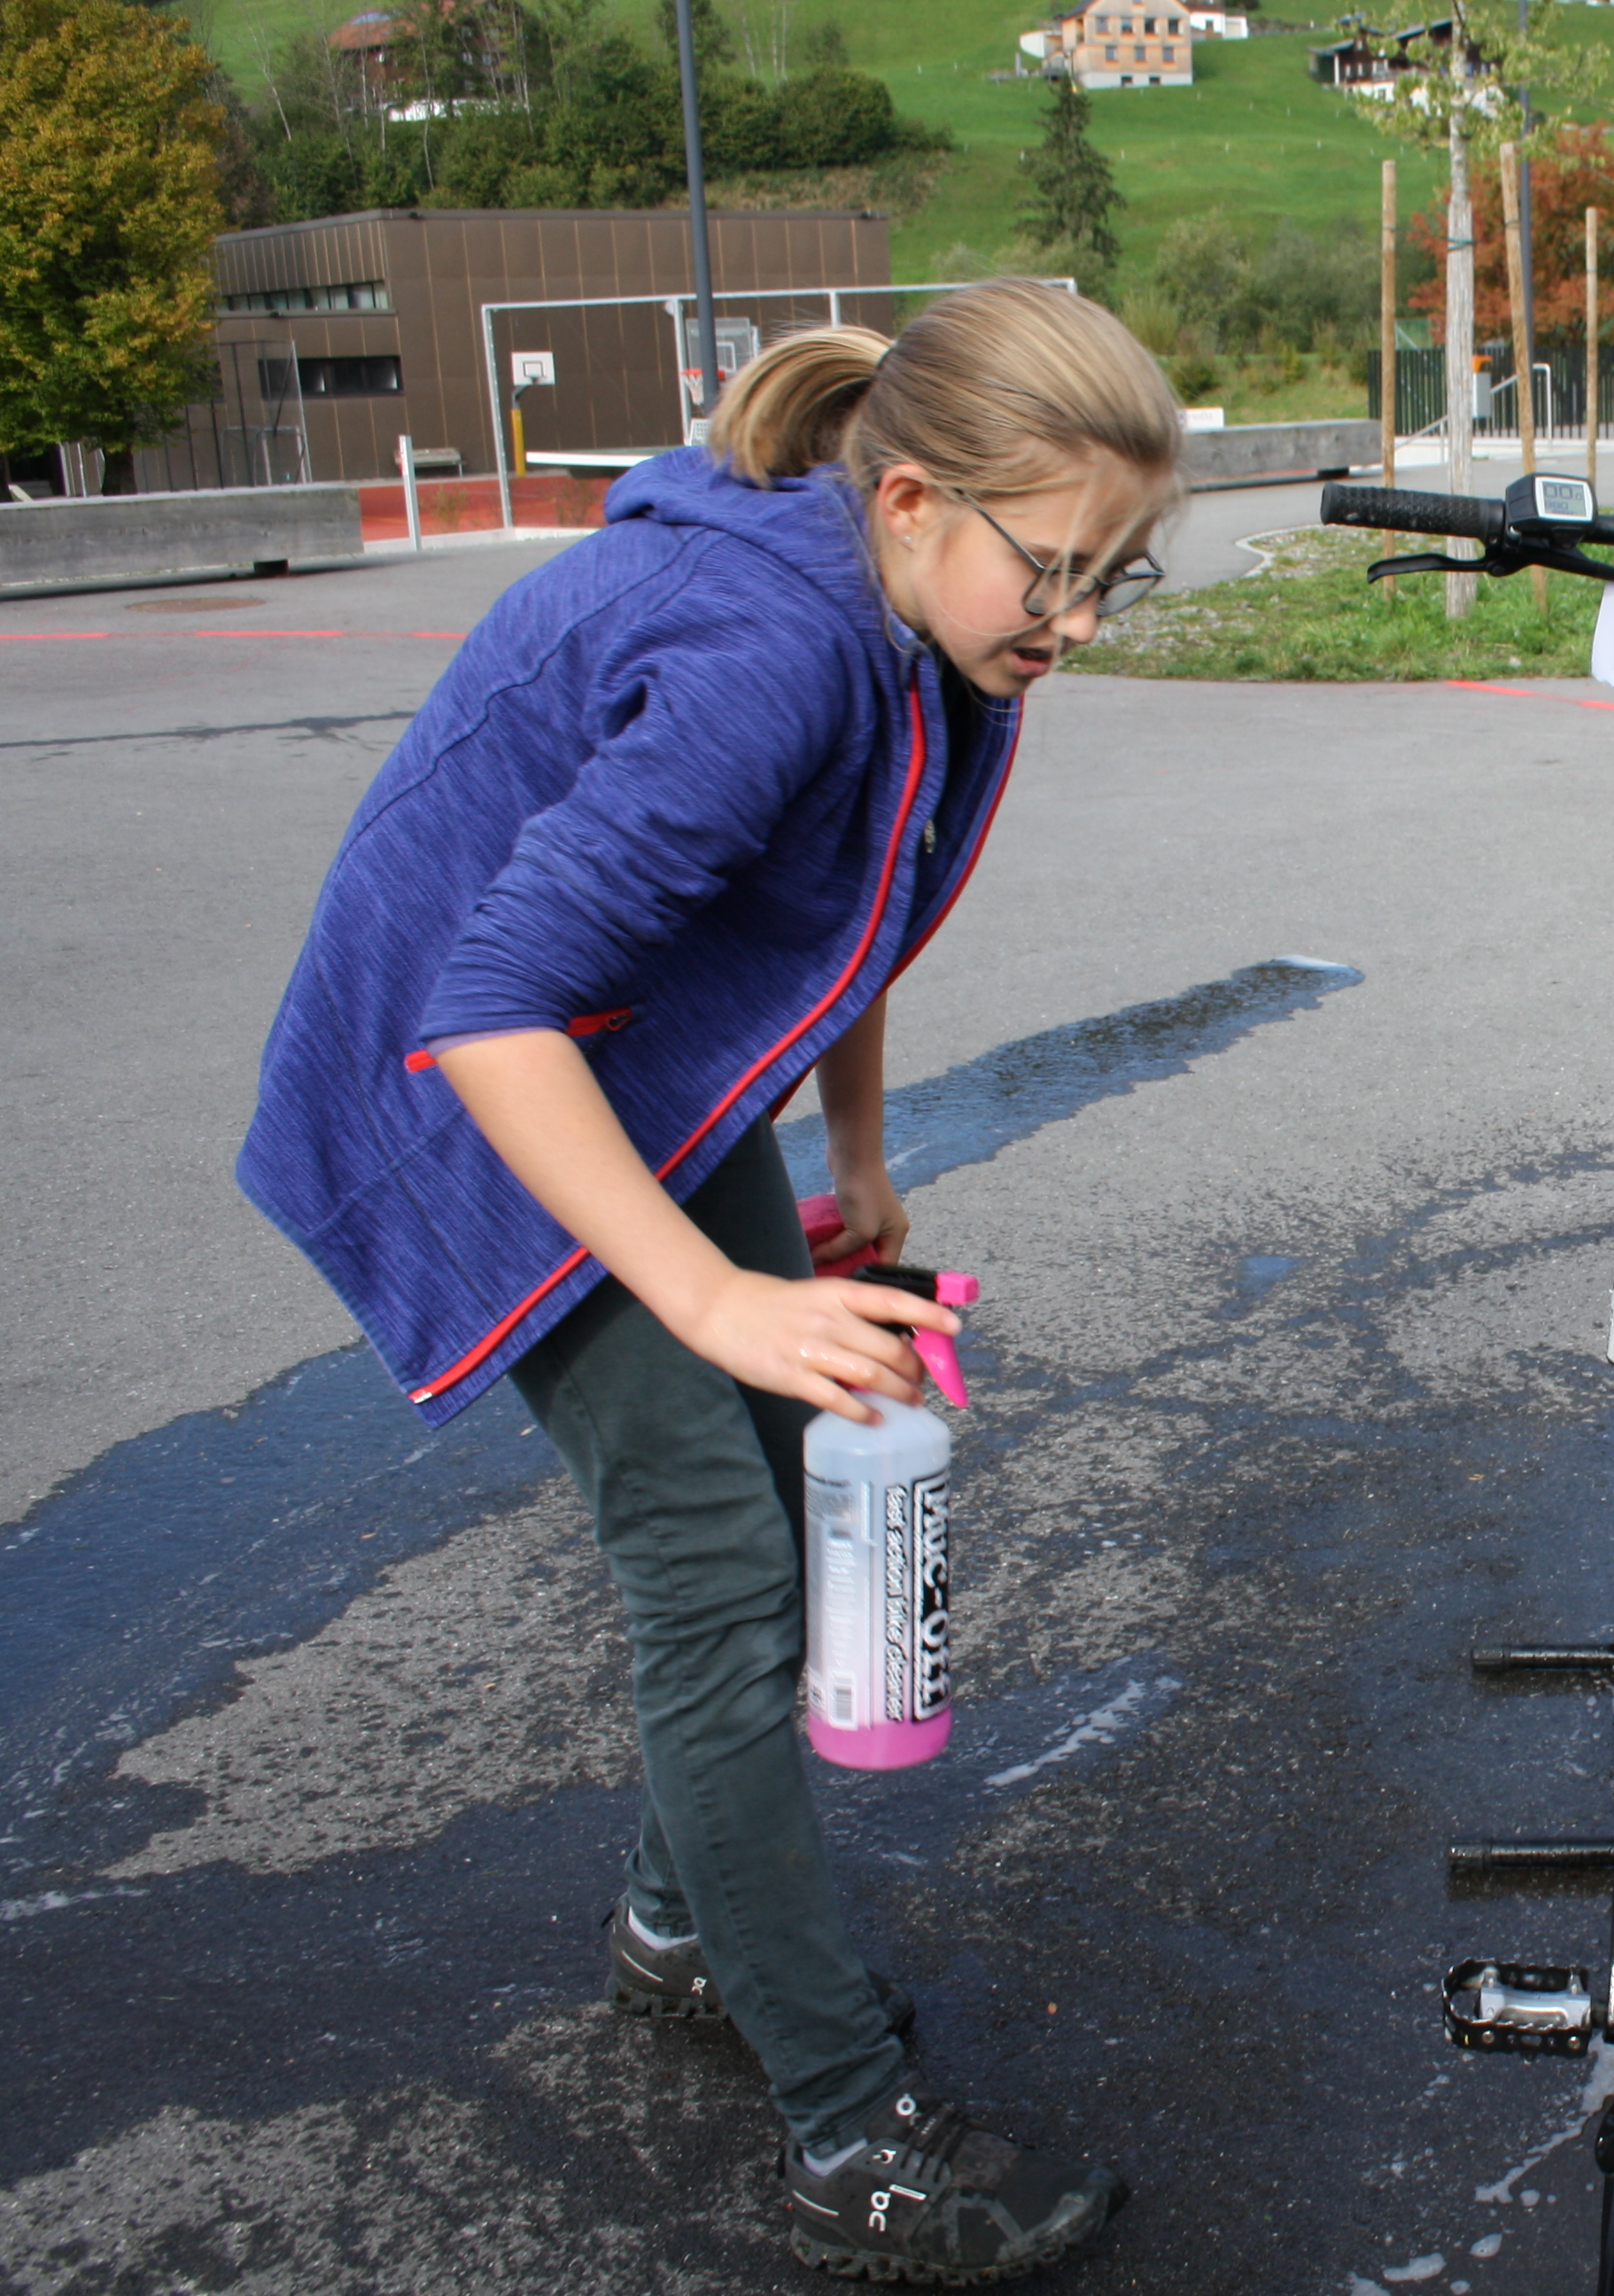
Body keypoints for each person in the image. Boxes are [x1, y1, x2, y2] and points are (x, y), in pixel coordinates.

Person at [237, 281, 1182, 2282]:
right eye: (1055, 568)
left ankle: (684, 1927)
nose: (1079, 620)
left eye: (1118, 574)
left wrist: (854, 1151)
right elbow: (486, 1009)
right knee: (723, 1571)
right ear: (913, 500)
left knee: (793, 1482)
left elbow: (848, 898)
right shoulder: (774, 651)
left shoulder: (944, 627)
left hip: (632, 1053)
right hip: (475, 1091)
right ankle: (848, 2131)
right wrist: (712, 1298)